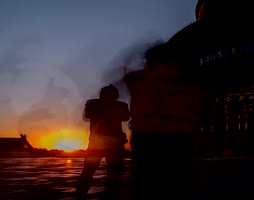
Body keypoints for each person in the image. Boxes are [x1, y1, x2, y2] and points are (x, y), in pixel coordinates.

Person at [124, 42, 214, 200]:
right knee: (180, 185)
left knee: (146, 185)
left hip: (147, 138)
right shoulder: (189, 81)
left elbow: (127, 72)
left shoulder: (138, 78)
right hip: (181, 137)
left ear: (149, 60)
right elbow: (202, 106)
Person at [75, 84, 130, 199]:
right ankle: (107, 195)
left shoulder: (93, 103)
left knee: (90, 170)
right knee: (111, 172)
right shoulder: (120, 105)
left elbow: (87, 116)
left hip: (99, 142)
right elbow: (126, 117)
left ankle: (81, 194)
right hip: (109, 142)